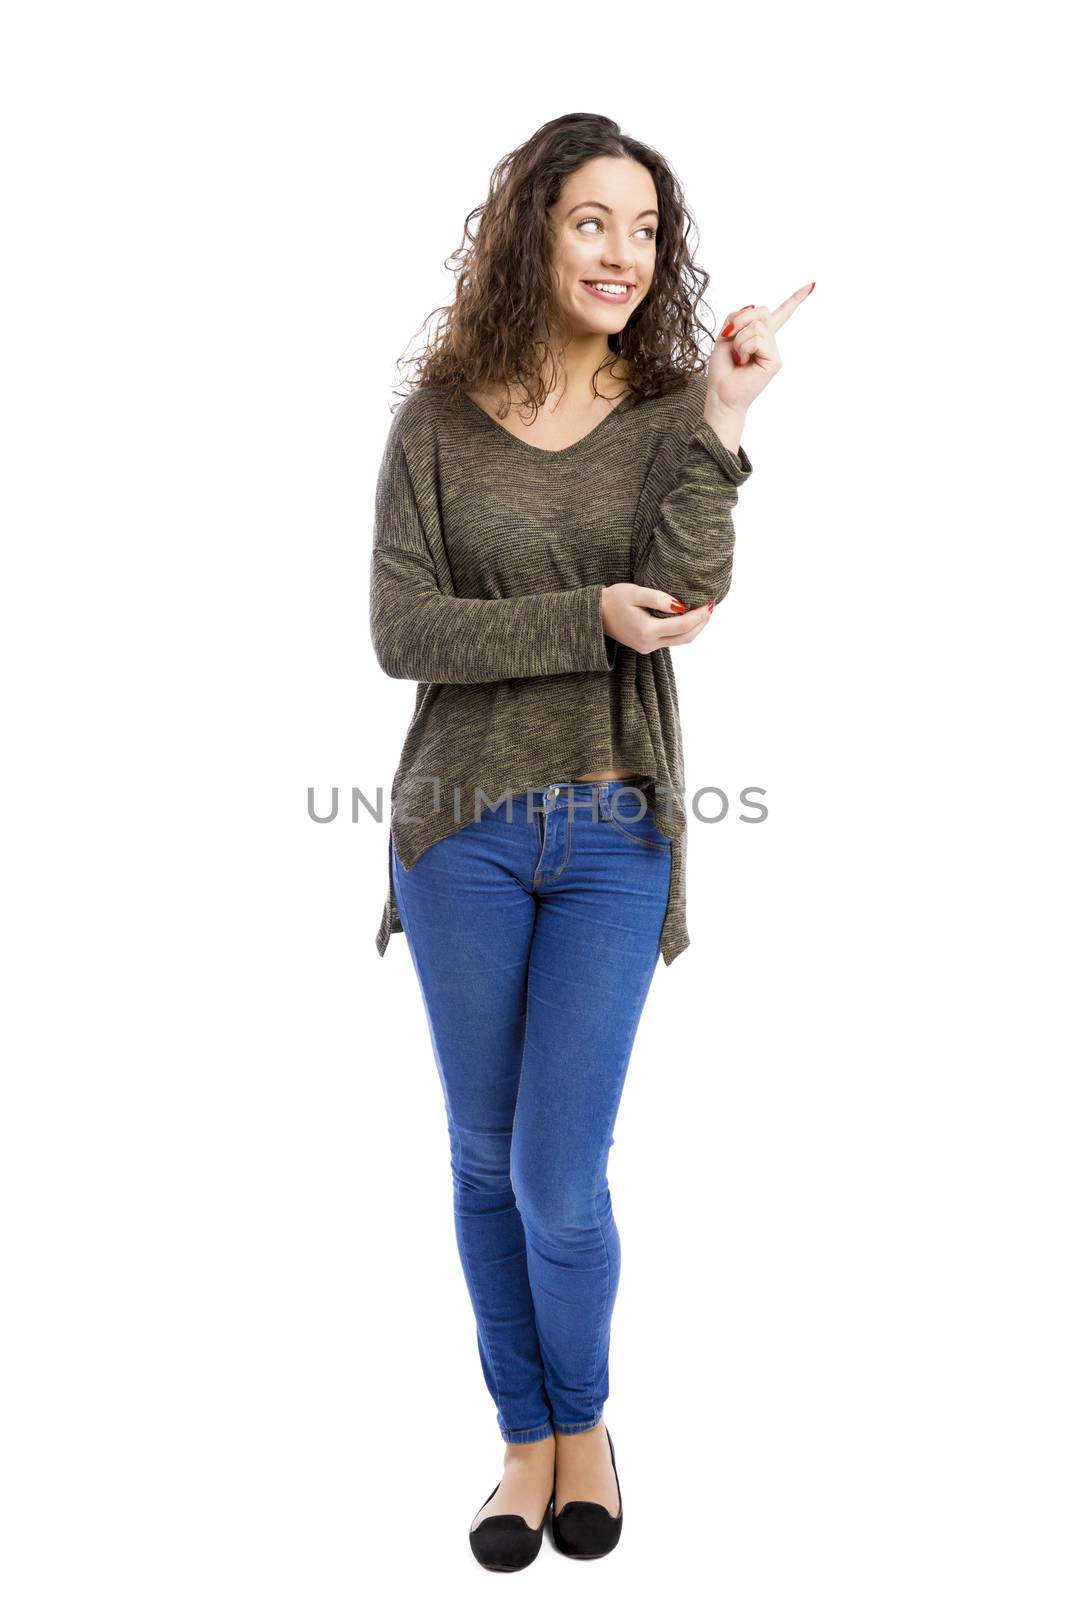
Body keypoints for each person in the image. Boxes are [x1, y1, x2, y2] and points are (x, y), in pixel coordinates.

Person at [368, 110, 811, 1570]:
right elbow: (401, 631)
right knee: (484, 1160)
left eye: (644, 230)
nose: (623, 254)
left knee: (564, 1177)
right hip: (462, 831)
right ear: (534, 235)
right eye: (591, 224)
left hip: (615, 824)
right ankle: (524, 1442)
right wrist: (581, 618)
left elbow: (685, 593)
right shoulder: (435, 425)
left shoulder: (666, 413)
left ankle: (588, 1423)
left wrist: (729, 418)